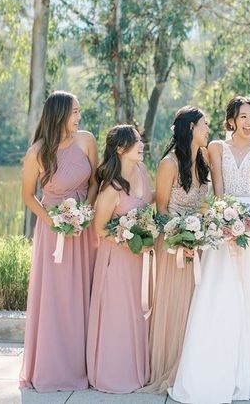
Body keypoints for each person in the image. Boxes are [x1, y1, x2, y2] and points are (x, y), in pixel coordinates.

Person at [169, 96, 250, 404]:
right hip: (225, 220)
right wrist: (225, 217)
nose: (249, 122)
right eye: (243, 116)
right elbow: (219, 188)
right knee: (221, 290)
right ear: (231, 120)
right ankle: (214, 371)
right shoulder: (216, 147)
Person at [19, 91, 98, 392]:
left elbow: (94, 182)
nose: (79, 117)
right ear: (60, 115)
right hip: (54, 233)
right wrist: (54, 221)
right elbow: (28, 196)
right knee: (56, 298)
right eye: (74, 112)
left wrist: (85, 211)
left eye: (80, 111)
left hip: (84, 228)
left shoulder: (87, 140)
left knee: (84, 294)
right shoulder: (37, 152)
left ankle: (84, 365)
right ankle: (53, 369)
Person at [141, 106, 210, 394]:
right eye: (205, 125)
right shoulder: (169, 163)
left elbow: (205, 202)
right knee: (175, 305)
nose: (209, 130)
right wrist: (181, 238)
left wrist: (201, 232)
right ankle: (169, 365)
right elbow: (161, 209)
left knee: (196, 306)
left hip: (199, 243)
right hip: (173, 245)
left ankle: (191, 366)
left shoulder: (203, 160)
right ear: (192, 127)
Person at [87, 125, 154, 393]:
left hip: (140, 259)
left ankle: (139, 368)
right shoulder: (111, 189)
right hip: (117, 258)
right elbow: (100, 229)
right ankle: (114, 372)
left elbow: (149, 206)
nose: (141, 145)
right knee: (119, 314)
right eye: (136, 141)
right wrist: (127, 239)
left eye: (140, 140)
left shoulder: (142, 171)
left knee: (139, 312)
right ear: (119, 148)